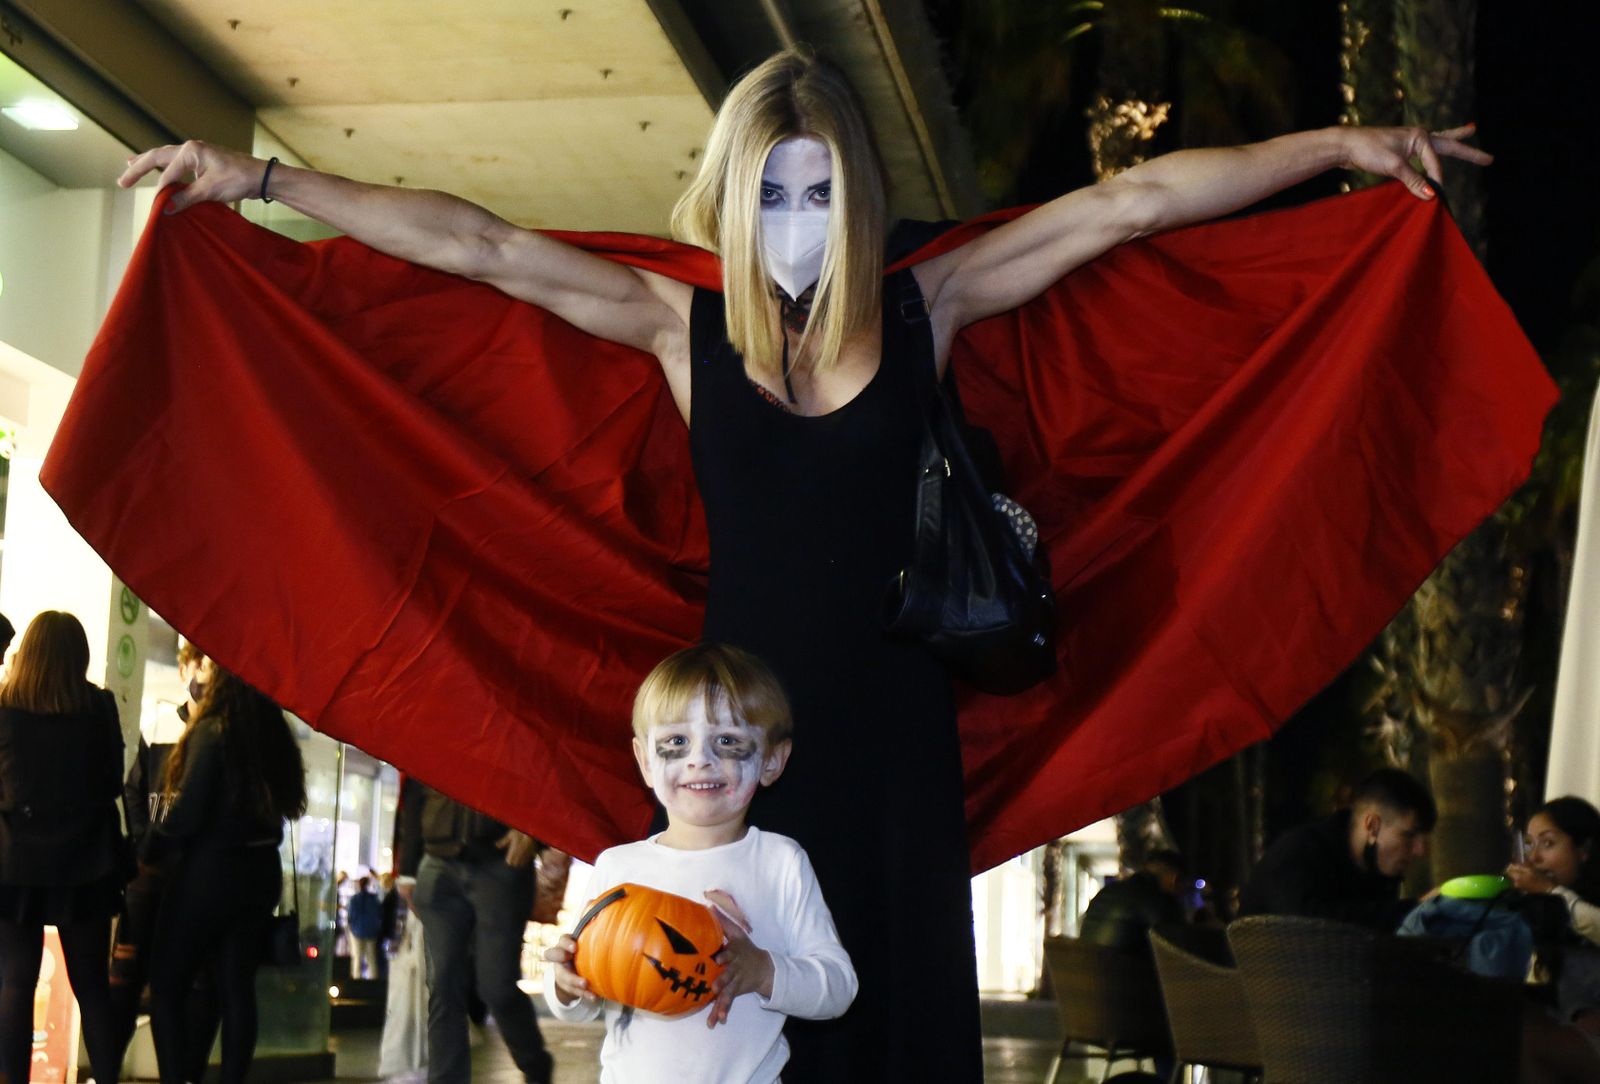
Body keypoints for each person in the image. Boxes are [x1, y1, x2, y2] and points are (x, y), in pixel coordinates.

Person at [117, 46, 1492, 1081]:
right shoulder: (677, 325)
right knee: (728, 1023)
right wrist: (263, 179)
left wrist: (1339, 145)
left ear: (855, 195)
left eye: (819, 185)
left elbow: (1129, 207)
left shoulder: (925, 307)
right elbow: (476, 243)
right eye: (769, 185)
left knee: (887, 1013)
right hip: (737, 747)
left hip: (896, 734)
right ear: (729, 189)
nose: (793, 209)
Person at [543, 643, 855, 1083]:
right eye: (676, 741)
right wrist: (565, 984)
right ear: (645, 762)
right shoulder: (618, 868)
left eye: (727, 741)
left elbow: (838, 988)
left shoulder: (779, 862)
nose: (699, 759)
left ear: (771, 760)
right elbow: (587, 1002)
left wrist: (763, 970)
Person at [144, 662, 306, 1084]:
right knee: (236, 989)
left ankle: (178, 1076)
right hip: (260, 874)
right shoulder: (273, 736)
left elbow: (189, 811)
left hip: (209, 873)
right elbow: (292, 803)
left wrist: (151, 846)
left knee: (167, 985)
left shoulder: (213, 730)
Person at [0, 611, 126, 1084]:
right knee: (92, 986)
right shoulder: (99, 709)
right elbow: (113, 782)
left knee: (15, 982)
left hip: (14, 864)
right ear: (80, 657)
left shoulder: (5, 711)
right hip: (85, 863)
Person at [394, 781, 553, 1084]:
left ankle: (536, 1067)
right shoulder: (432, 733)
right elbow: (414, 788)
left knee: (497, 987)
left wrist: (536, 832)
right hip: (437, 862)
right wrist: (408, 869)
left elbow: (548, 770)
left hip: (501, 861)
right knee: (443, 983)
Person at [111, 639, 220, 1075]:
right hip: (150, 874)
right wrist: (143, 847)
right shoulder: (157, 723)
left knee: (184, 984)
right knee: (129, 982)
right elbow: (133, 788)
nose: (204, 676)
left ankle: (181, 1070)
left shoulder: (219, 734)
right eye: (200, 664)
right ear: (184, 670)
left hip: (193, 880)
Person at [1238, 768, 1436, 930]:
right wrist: (1415, 910)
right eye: (1408, 836)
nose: (1420, 851)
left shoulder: (1377, 870)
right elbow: (1310, 927)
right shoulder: (1299, 853)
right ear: (1372, 826)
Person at [1508, 797, 1600, 1082]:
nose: (1534, 858)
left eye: (1547, 844)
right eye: (1530, 844)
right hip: (1561, 1038)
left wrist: (1551, 892)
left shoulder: (1578, 909)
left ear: (1583, 850)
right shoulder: (1540, 915)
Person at [1078, 849, 1190, 953]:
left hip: (1087, 967)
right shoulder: (1158, 900)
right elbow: (1177, 947)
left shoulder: (1110, 891)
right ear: (1175, 879)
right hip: (1121, 970)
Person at [346, 874, 383, 979]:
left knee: (357, 957)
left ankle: (357, 979)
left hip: (357, 931)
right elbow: (379, 913)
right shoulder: (374, 899)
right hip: (371, 931)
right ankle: (373, 980)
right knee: (371, 957)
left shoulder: (354, 899)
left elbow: (351, 916)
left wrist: (352, 927)